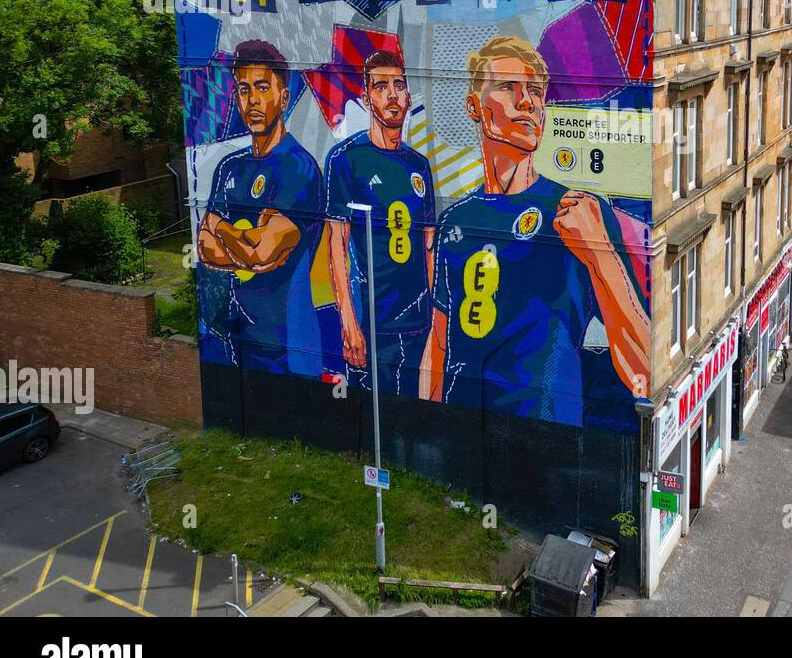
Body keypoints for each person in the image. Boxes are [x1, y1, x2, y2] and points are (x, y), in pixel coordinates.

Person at [421, 35, 650, 430]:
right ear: (475, 106)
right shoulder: (454, 221)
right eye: (509, 87)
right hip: (464, 429)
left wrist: (600, 255)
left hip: (545, 438)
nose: (528, 102)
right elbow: (438, 342)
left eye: (536, 91)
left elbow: (643, 368)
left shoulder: (578, 212)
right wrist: (423, 424)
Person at [197, 40, 324, 377]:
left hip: (286, 349)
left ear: (283, 97)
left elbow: (262, 253)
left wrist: (222, 227)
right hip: (234, 335)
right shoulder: (229, 167)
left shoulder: (298, 168)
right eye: (243, 89)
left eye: (262, 87)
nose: (252, 100)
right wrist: (246, 239)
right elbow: (204, 248)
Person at [324, 48, 436, 396]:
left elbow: (428, 246)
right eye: (381, 86)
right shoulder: (346, 160)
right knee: (378, 414)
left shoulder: (419, 166)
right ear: (366, 97)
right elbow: (337, 246)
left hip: (419, 324)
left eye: (399, 86)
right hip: (373, 325)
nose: (392, 95)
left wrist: (436, 323)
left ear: (408, 96)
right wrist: (349, 323)